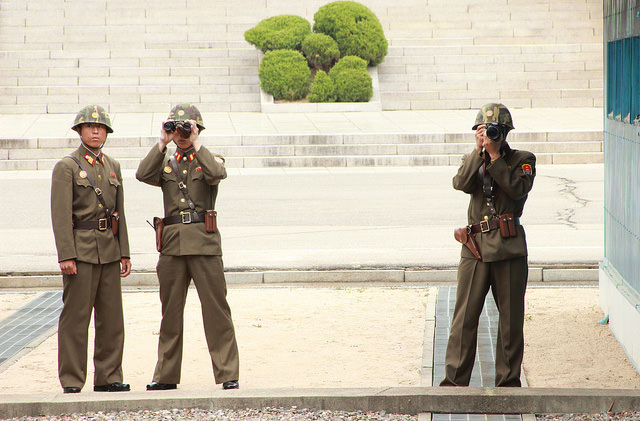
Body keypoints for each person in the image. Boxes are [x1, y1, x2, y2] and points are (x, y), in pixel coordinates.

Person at [136, 103, 240, 391]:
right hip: (171, 248)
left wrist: (196, 142)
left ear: (197, 129)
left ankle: (228, 372)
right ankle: (166, 375)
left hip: (204, 246)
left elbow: (216, 174)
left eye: (186, 128)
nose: (180, 133)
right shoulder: (166, 162)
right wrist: (161, 143)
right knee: (170, 313)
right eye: (176, 128)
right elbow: (142, 174)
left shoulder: (208, 158)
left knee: (216, 311)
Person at [440, 103, 536, 387]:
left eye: (496, 131)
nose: (491, 134)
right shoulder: (475, 159)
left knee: (510, 321)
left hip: (508, 248)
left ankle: (507, 382)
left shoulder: (523, 159)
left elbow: (518, 189)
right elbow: (460, 183)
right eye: (485, 130)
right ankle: (454, 382)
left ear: (505, 132)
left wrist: (495, 156)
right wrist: (479, 152)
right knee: (464, 318)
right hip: (475, 248)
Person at [51, 104, 132, 394]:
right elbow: (60, 215)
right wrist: (66, 255)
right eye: (90, 127)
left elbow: (119, 213)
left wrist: (124, 252)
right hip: (81, 251)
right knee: (76, 318)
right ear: (80, 131)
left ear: (107, 133)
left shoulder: (112, 166)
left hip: (109, 251)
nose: (96, 131)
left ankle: (108, 376)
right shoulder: (67, 167)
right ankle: (72, 379)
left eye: (101, 128)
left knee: (112, 319)